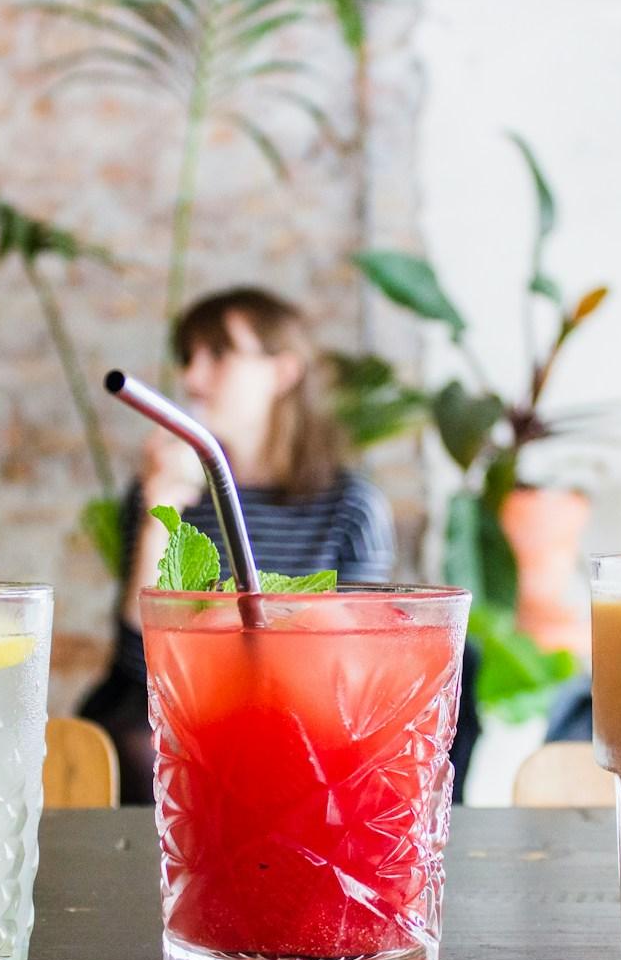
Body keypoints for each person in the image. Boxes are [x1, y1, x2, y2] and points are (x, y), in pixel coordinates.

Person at [80, 286, 440, 804]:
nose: (193, 378)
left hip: (301, 705)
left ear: (283, 372)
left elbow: (360, 654)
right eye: (189, 358)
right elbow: (141, 662)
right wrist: (163, 507)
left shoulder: (350, 506)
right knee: (144, 744)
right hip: (185, 702)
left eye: (219, 355)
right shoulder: (164, 489)